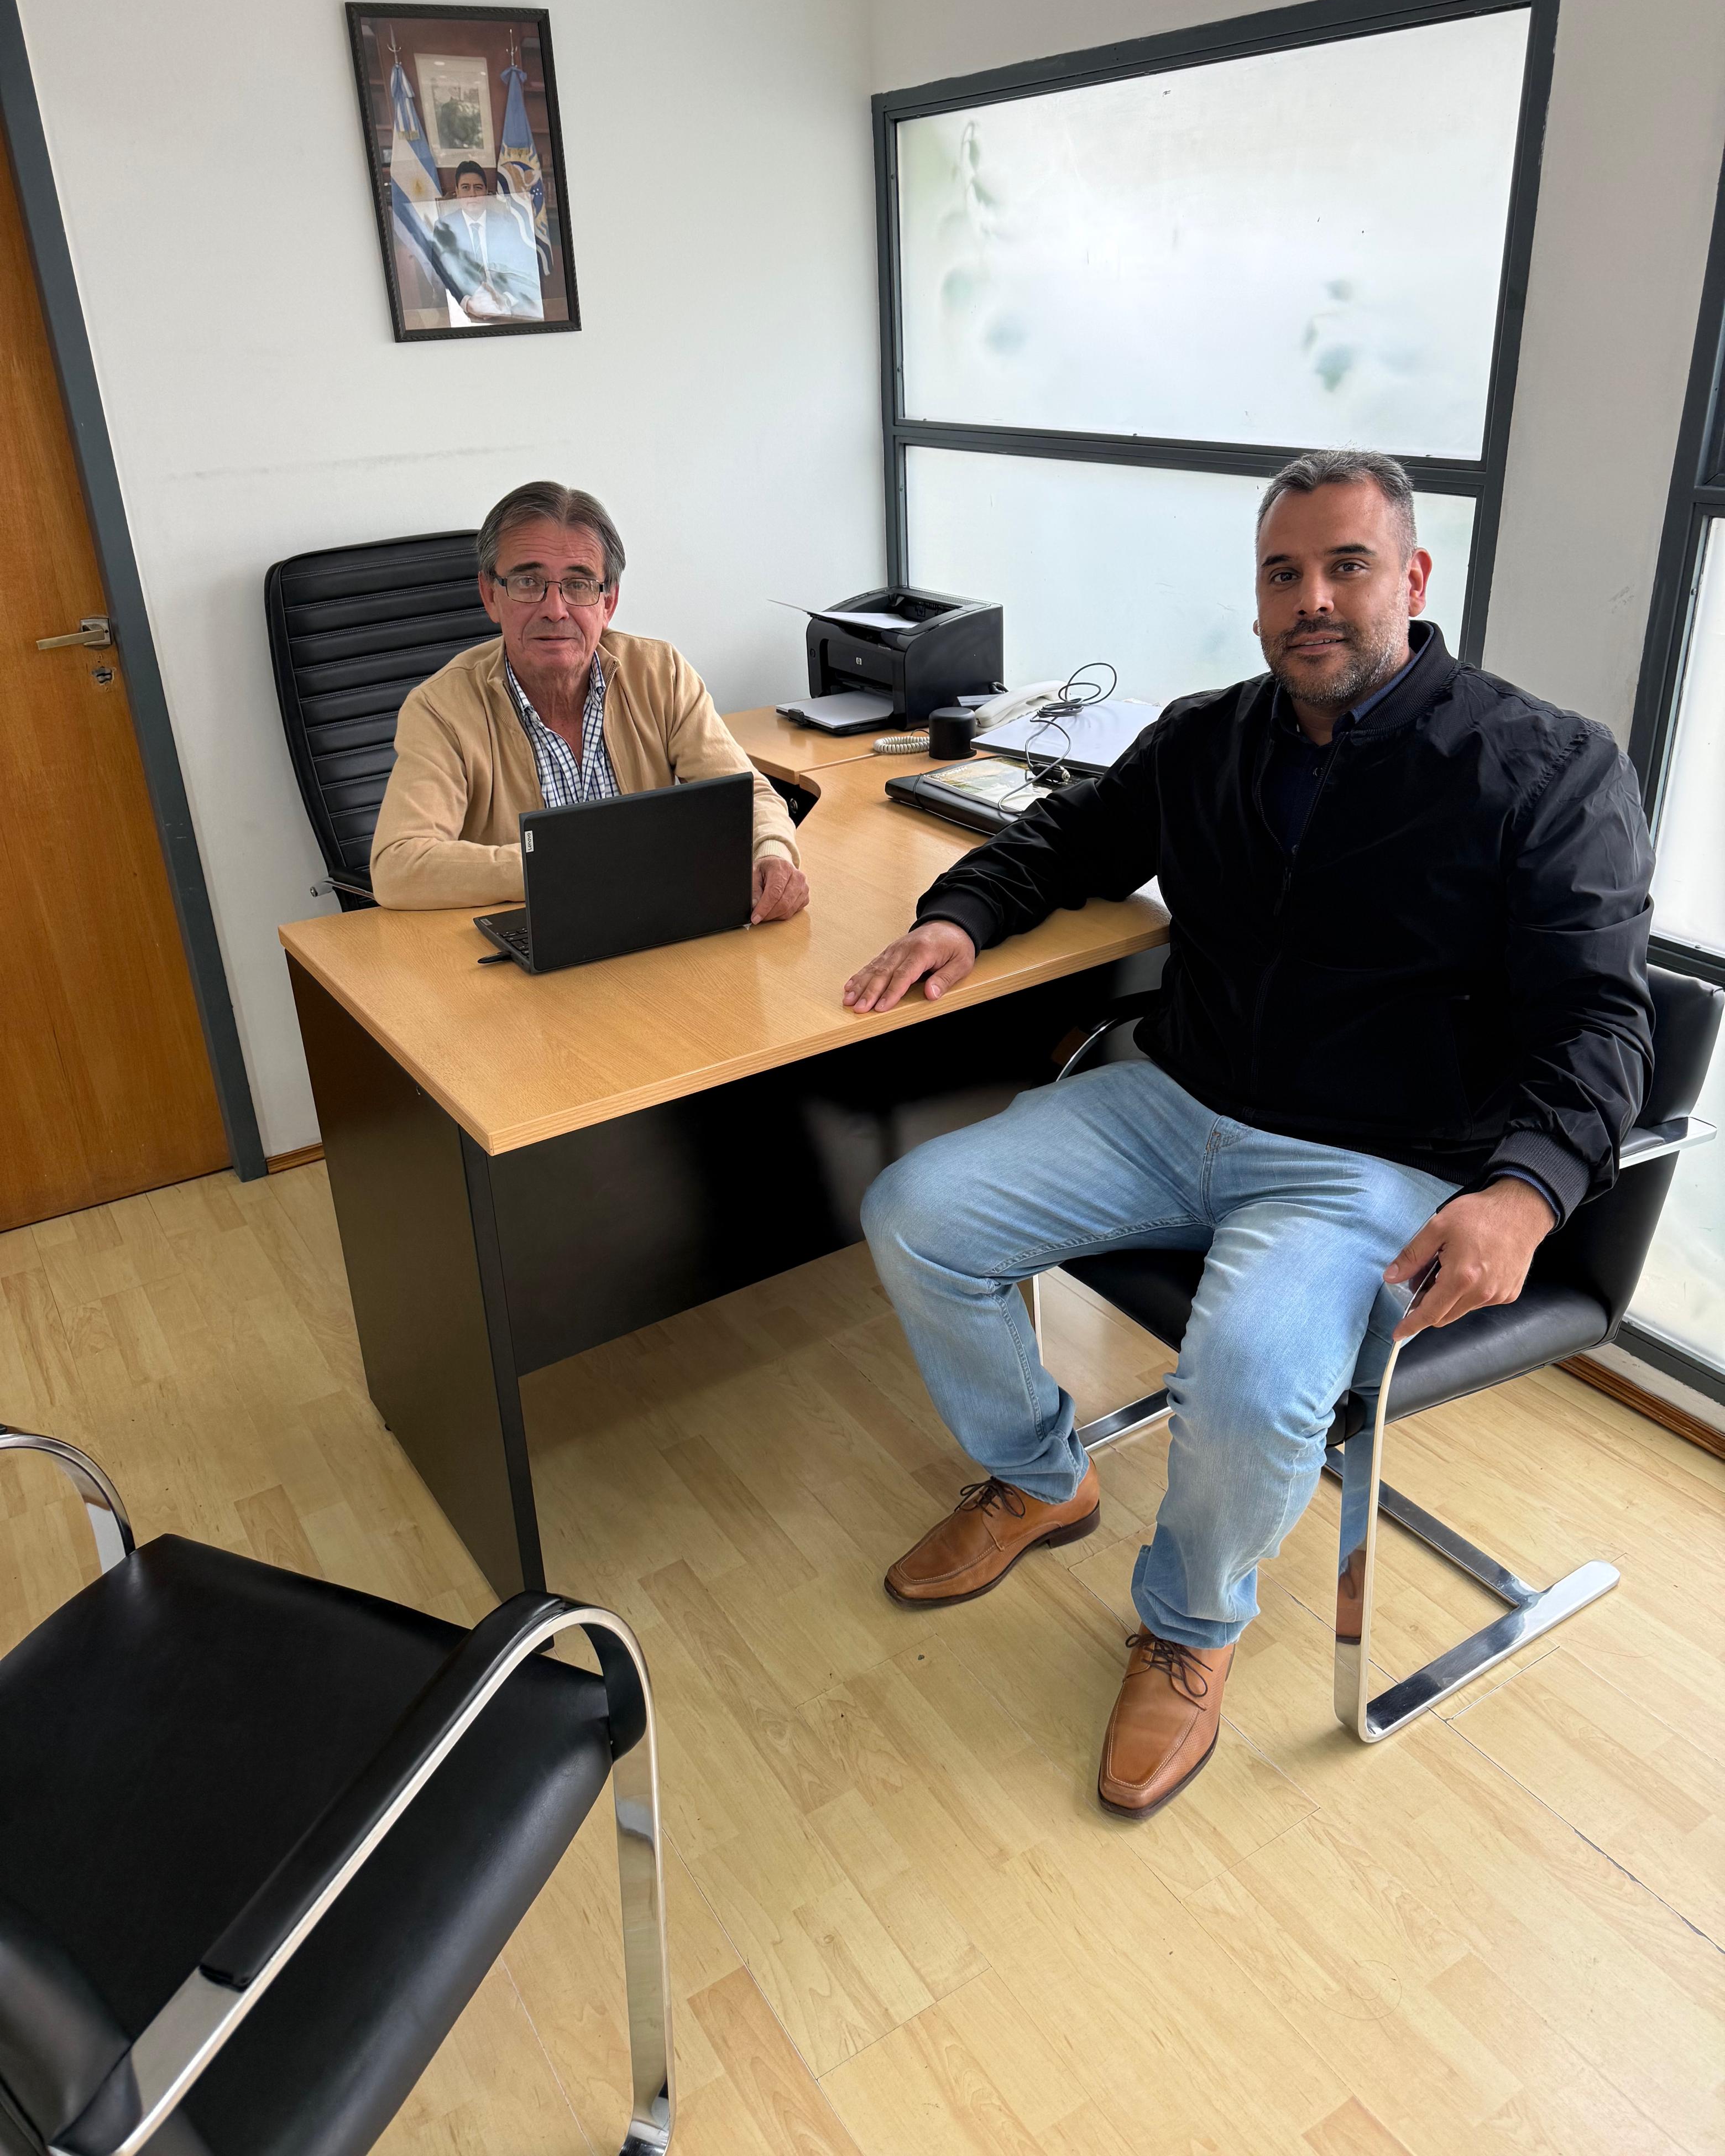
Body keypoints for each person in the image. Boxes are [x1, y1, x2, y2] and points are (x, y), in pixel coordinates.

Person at [842, 448, 1653, 1820]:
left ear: (1413, 577)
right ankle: (1040, 1478)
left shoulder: (1546, 767)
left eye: (1346, 566)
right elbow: (1066, 839)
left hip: (1373, 1159)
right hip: (1175, 1103)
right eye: (1283, 573)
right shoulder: (1206, 736)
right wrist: (960, 916)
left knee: (1252, 1378)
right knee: (916, 1215)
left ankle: (1189, 1624)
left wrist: (1526, 1189)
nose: (1311, 599)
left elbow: (1600, 1020)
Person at [370, 480, 808, 920]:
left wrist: (771, 854)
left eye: (578, 585)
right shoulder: (440, 709)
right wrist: (561, 865)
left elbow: (750, 796)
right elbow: (398, 865)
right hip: (528, 935)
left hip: (650, 924)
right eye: (528, 582)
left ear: (608, 602)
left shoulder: (661, 674)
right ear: (491, 596)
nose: (555, 609)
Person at [432, 161, 542, 323]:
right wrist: (467, 303)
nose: (473, 194)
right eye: (465, 188)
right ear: (457, 192)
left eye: (478, 188)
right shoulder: (445, 227)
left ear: (486, 192)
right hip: (463, 309)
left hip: (507, 308)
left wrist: (507, 300)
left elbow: (524, 267)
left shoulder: (506, 224)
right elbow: (441, 273)